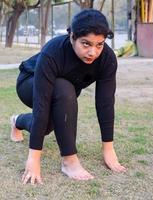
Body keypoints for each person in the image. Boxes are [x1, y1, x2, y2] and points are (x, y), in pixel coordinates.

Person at [10, 9, 126, 185]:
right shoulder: (53, 51)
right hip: (30, 83)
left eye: (99, 45)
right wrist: (34, 158)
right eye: (86, 44)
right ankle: (69, 161)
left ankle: (18, 121)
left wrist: (108, 149)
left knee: (48, 125)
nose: (93, 52)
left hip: (63, 93)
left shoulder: (107, 59)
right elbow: (41, 105)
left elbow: (105, 104)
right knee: (62, 88)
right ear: (72, 36)